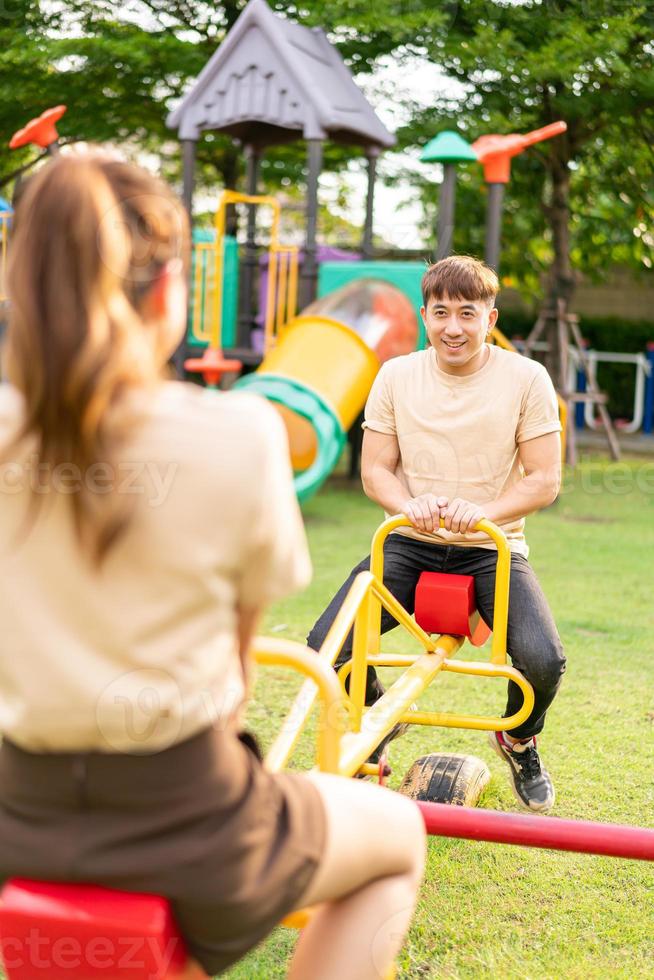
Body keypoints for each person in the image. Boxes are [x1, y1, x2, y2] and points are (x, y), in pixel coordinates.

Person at [0, 151, 426, 980]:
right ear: (168, 297)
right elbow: (235, 671)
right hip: (189, 815)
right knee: (396, 839)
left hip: (15, 813)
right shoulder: (239, 434)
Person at [308, 255, 566, 814]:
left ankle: (519, 740)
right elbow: (375, 470)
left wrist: (485, 512)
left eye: (467, 313)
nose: (454, 326)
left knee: (543, 661)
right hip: (408, 541)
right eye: (441, 312)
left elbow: (545, 480)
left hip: (489, 548)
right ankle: (378, 720)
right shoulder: (396, 375)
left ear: (489, 318)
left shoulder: (526, 378)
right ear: (424, 315)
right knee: (325, 646)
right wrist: (411, 504)